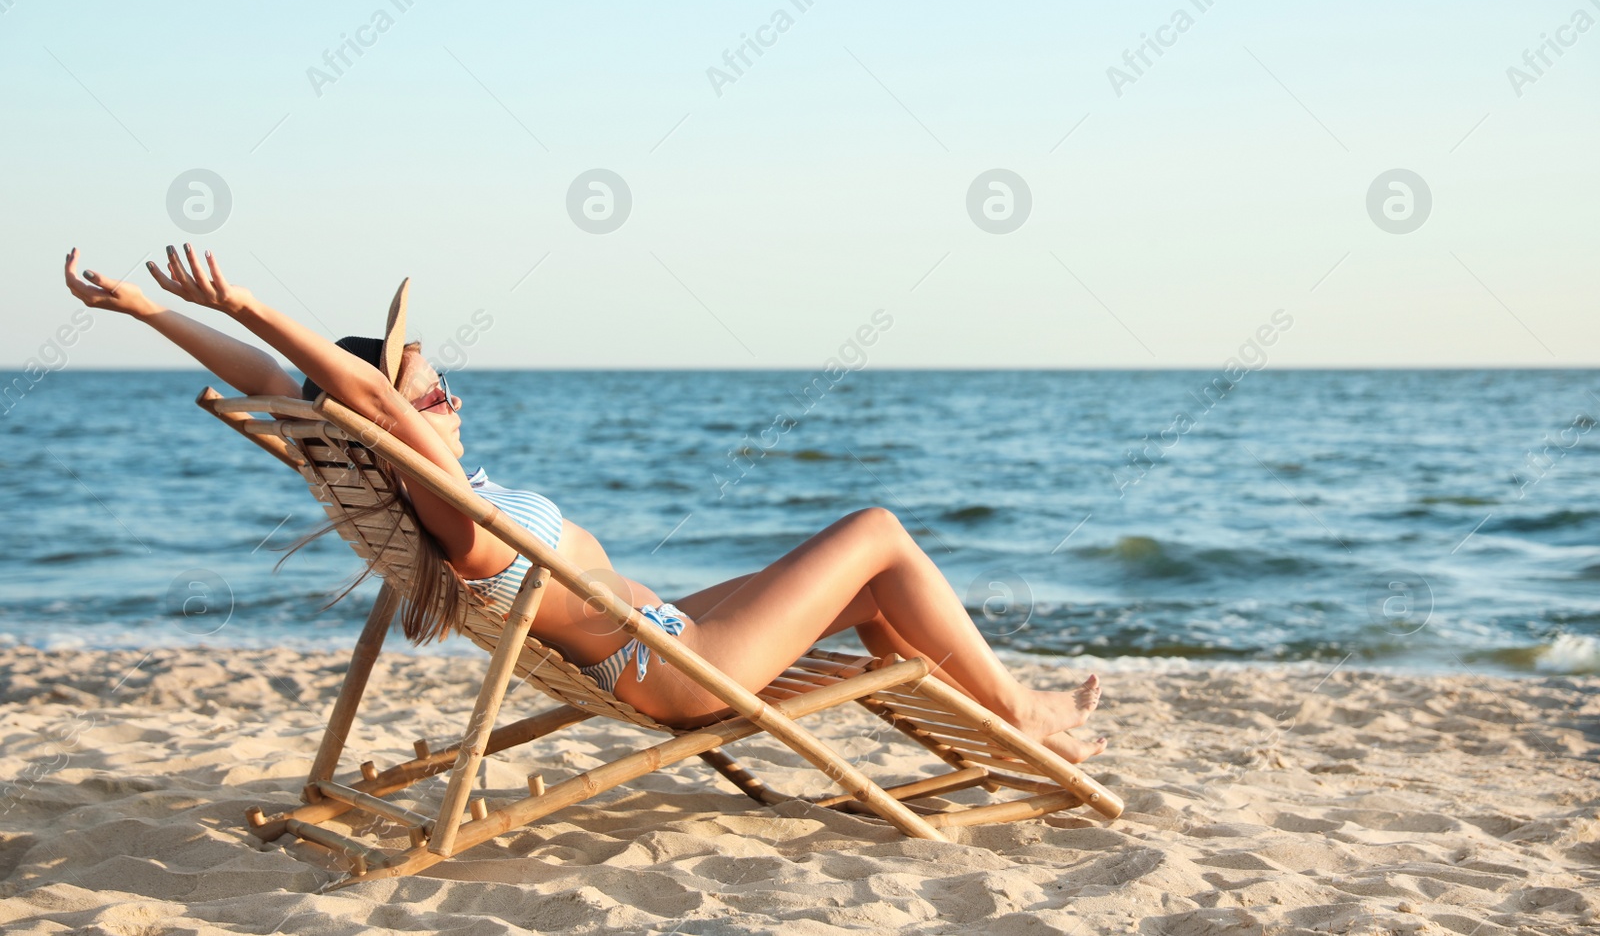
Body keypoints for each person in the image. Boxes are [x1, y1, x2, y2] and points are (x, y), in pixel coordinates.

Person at [62, 245, 1106, 762]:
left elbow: (294, 391)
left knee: (873, 590)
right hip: (679, 666)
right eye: (433, 387)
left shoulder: (427, 498)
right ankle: (1027, 715)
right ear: (397, 421)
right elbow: (357, 393)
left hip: (673, 634)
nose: (451, 394)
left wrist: (151, 310)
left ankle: (987, 708)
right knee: (877, 531)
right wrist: (241, 298)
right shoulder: (453, 519)